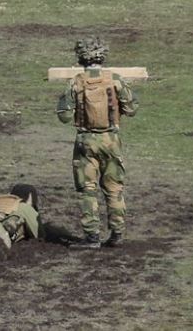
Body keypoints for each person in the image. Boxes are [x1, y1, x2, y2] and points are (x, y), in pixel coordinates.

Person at [56, 37, 138, 249]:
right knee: (114, 188)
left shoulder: (76, 82)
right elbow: (131, 110)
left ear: (81, 57)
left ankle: (91, 236)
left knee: (87, 189)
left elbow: (64, 116)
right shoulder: (116, 80)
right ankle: (117, 233)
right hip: (111, 140)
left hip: (86, 141)